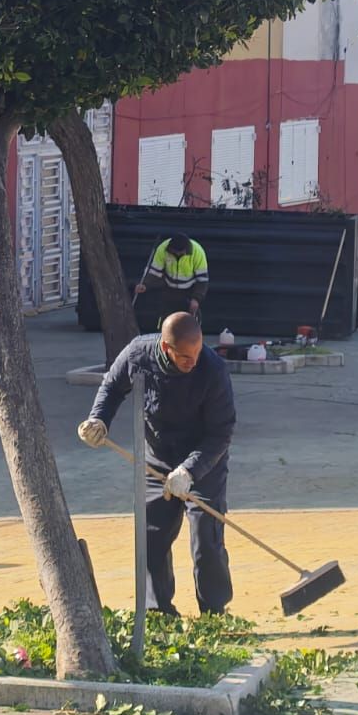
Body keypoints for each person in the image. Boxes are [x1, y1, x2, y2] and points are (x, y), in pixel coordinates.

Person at [77, 312, 235, 615]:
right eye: (185, 356)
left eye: (198, 352)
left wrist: (189, 471)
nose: (193, 361)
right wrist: (99, 419)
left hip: (203, 463)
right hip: (158, 459)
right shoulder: (138, 353)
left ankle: (215, 612)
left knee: (206, 539)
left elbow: (221, 432)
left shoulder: (212, 369)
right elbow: (111, 387)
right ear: (165, 348)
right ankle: (159, 612)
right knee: (151, 538)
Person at [134, 234, 208, 331]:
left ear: (185, 250)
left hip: (189, 291)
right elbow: (154, 272)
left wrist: (196, 299)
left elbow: (202, 280)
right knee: (165, 321)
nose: (177, 254)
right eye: (174, 252)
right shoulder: (162, 249)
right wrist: (145, 284)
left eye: (180, 253)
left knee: (189, 326)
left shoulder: (198, 252)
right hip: (168, 290)